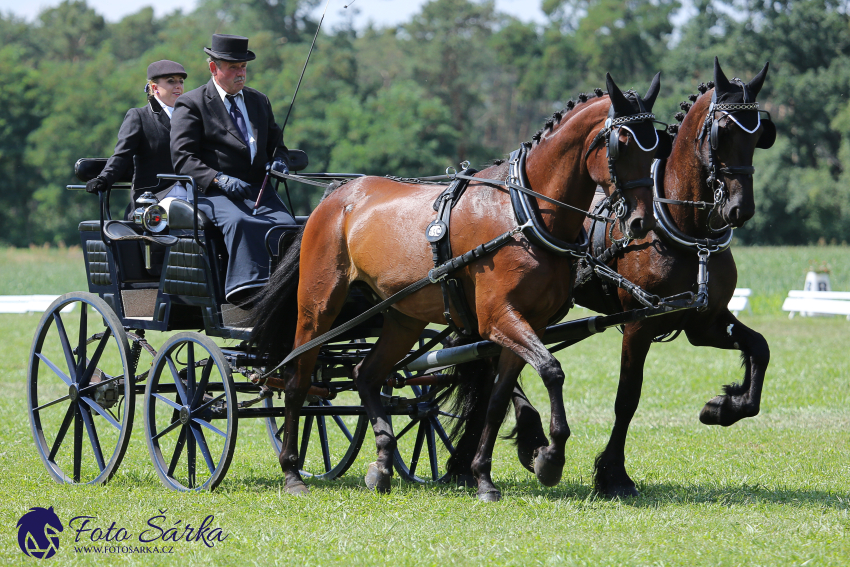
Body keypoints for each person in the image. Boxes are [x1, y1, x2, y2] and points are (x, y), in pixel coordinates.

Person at [171, 34, 295, 305]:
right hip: (212, 193)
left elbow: (278, 147)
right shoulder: (192, 103)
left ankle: (287, 288)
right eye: (233, 68)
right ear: (214, 68)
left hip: (257, 190)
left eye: (244, 67)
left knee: (288, 227)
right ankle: (247, 293)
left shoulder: (258, 101)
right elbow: (182, 158)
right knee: (240, 222)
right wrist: (219, 179)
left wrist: (280, 162)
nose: (241, 73)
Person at [86, 60, 189, 211]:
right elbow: (122, 155)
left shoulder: (191, 117)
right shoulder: (139, 117)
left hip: (192, 192)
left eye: (181, 81)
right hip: (156, 196)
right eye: (170, 81)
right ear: (155, 87)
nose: (178, 86)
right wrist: (103, 179)